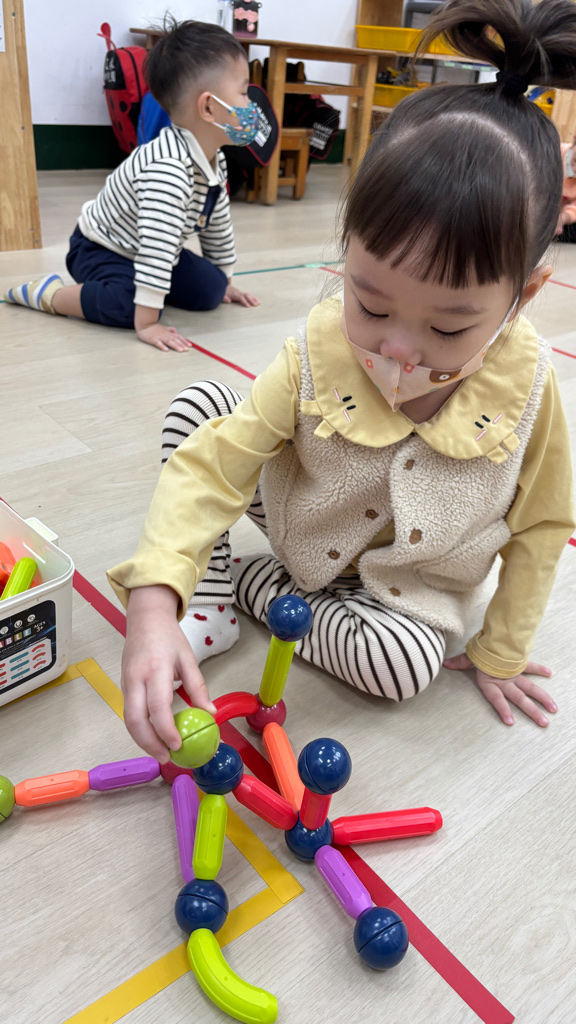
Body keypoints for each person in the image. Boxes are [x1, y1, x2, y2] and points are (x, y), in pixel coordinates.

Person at [108, 0, 576, 761]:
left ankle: (259, 586)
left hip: (402, 586)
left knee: (405, 668)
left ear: (523, 298)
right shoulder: (317, 348)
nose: (399, 349)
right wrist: (155, 602)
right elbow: (215, 467)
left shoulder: (530, 385)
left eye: (449, 328)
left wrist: (499, 651)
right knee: (200, 410)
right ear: (347, 249)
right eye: (371, 303)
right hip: (303, 520)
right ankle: (217, 596)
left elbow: (543, 524)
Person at [5, 21, 259, 351]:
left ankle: (155, 290)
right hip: (101, 247)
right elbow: (157, 248)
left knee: (210, 290)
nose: (251, 104)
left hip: (149, 245)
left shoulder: (215, 158)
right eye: (243, 92)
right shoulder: (168, 169)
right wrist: (148, 322)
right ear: (209, 107)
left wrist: (225, 280)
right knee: (127, 306)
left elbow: (217, 225)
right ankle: (49, 294)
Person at [557, 135, 576, 241]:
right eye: (575, 160)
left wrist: (563, 219)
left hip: (562, 215)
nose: (575, 169)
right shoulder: (555, 153)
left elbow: (574, 208)